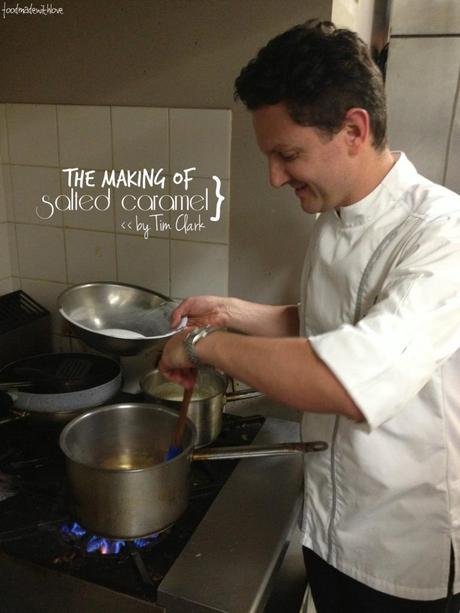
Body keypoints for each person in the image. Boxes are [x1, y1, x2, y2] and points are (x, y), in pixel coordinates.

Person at [158, 20, 460, 613]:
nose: (274, 176)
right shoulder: (336, 212)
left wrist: (204, 346)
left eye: (287, 154)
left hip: (400, 551)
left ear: (354, 129)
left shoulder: (442, 235)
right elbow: (331, 322)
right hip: (328, 519)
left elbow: (347, 376)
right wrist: (232, 311)